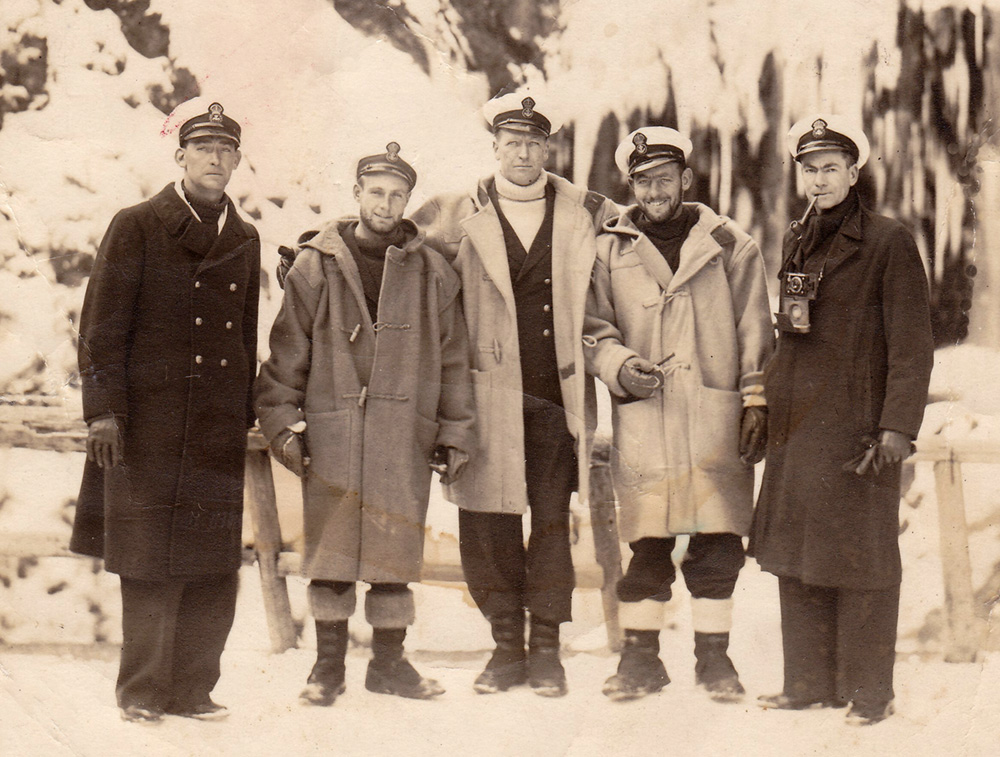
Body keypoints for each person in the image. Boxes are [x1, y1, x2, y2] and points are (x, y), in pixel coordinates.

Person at [411, 92, 617, 697]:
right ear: (495, 146)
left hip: (555, 393)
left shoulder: (586, 211)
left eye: (533, 142)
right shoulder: (455, 212)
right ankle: (506, 645)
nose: (523, 152)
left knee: (551, 521)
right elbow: (393, 244)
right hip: (482, 395)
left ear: (547, 147)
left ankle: (547, 647)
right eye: (511, 141)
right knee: (485, 521)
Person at [255, 142, 475, 706]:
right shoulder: (316, 264)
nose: (385, 203)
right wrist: (282, 423)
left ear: (407, 201)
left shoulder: (431, 271)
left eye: (396, 194)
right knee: (330, 553)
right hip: (333, 432)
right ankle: (327, 669)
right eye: (375, 192)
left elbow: (453, 359)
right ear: (356, 195)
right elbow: (286, 354)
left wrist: (452, 430)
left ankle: (390, 664)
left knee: (393, 551)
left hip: (404, 433)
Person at [70, 100, 260, 723]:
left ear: (236, 162)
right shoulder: (137, 225)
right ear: (180, 157)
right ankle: (144, 690)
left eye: (226, 151)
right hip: (145, 426)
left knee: (211, 562)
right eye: (203, 148)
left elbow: (245, 335)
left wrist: (247, 410)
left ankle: (194, 689)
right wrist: (103, 411)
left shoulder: (244, 236)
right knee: (150, 558)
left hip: (215, 425)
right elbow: (100, 327)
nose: (215, 159)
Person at [749, 115, 934, 726]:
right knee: (800, 554)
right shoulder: (796, 238)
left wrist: (897, 428)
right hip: (800, 425)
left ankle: (869, 694)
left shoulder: (887, 240)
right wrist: (763, 405)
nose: (819, 179)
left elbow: (911, 345)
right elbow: (791, 336)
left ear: (855, 173)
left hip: (859, 430)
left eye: (831, 167)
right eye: (810, 168)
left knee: (863, 561)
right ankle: (807, 685)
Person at [584, 127, 774, 702]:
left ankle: (714, 661)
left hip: (713, 416)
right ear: (631, 185)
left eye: (664, 178)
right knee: (646, 543)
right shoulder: (608, 249)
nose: (654, 190)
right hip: (646, 419)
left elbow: (754, 329)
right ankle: (641, 661)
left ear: (686, 180)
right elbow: (593, 330)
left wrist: (755, 397)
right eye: (642, 181)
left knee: (717, 542)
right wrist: (619, 365)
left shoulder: (730, 244)